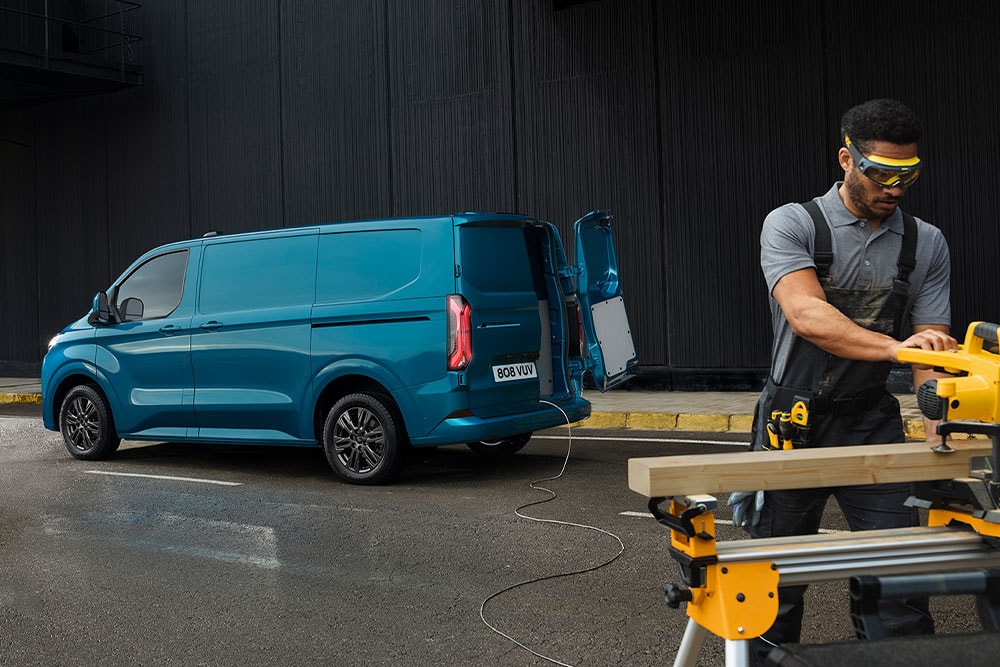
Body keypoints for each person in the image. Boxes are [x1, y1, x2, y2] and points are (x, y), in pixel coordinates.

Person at [734, 98, 957, 664]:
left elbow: (929, 351)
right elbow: (808, 316)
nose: (895, 188)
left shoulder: (925, 242)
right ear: (846, 159)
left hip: (870, 420)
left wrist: (939, 438)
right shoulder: (792, 223)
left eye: (908, 175)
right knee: (772, 585)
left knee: (898, 581)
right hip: (793, 420)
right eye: (882, 173)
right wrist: (893, 346)